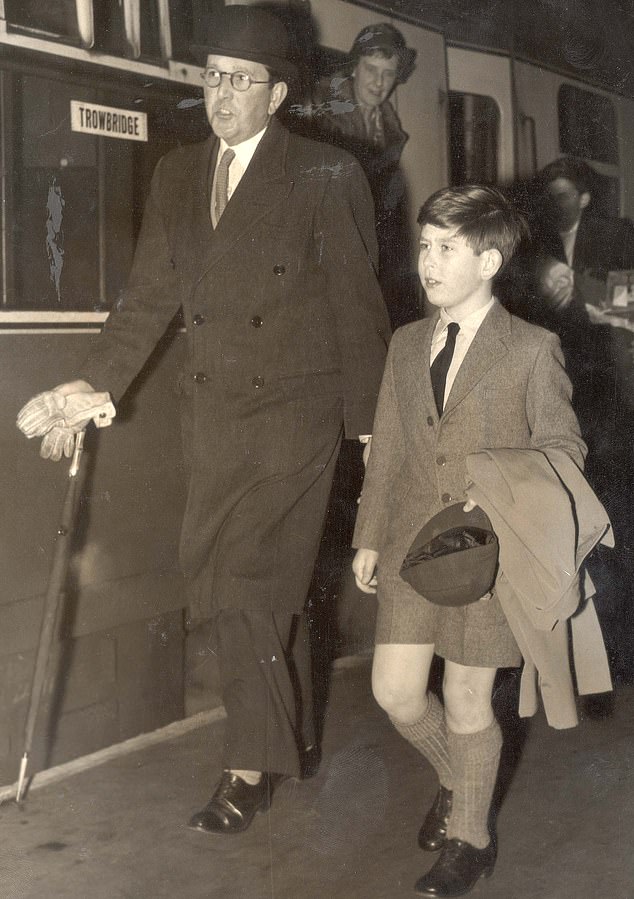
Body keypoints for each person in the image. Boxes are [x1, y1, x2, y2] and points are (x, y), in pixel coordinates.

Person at [16, 5, 390, 835]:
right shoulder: (181, 174)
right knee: (239, 586)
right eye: (212, 77)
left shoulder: (326, 172)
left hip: (296, 417)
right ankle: (285, 735)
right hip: (214, 416)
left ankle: (247, 766)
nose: (221, 94)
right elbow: (149, 297)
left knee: (252, 583)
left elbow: (358, 311)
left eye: (241, 81)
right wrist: (90, 384)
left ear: (278, 93)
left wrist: (372, 435)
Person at [351, 185, 587, 896]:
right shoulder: (404, 343)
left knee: (465, 699)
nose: (428, 260)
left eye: (446, 248)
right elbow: (388, 447)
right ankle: (463, 780)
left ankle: (470, 838)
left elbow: (564, 446)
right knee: (394, 691)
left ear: (488, 260)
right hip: (409, 545)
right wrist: (368, 536)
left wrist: (503, 490)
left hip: (487, 553)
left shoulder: (530, 349)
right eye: (425, 245)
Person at [305, 23, 417, 329]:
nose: (379, 82)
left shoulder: (389, 129)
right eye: (371, 69)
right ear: (354, 68)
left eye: (389, 73)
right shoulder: (320, 114)